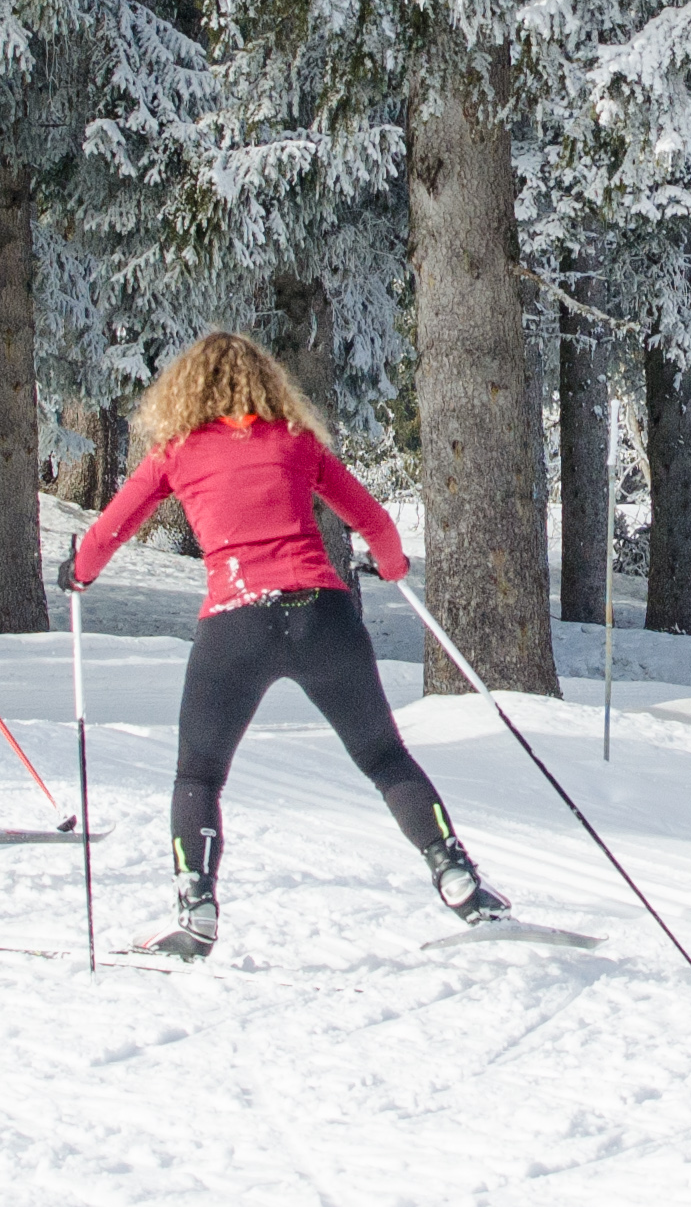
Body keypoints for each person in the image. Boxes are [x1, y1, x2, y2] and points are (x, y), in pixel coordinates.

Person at [70, 329, 506, 960]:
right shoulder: (296, 441)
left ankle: (197, 911)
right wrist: (392, 565)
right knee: (385, 759)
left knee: (198, 772)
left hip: (236, 622)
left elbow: (110, 530)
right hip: (323, 617)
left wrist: (79, 573)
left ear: (186, 391)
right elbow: (375, 524)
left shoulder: (177, 451)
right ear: (268, 384)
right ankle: (457, 878)